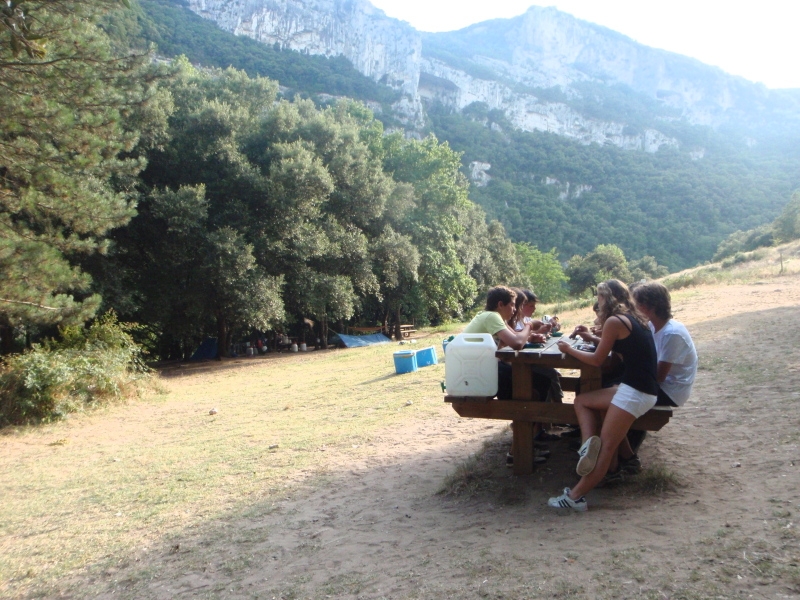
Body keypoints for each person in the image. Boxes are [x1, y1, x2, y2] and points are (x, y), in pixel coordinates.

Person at [547, 279, 658, 511]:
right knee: (583, 401)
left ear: (607, 298)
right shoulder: (634, 318)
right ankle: (588, 445)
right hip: (639, 387)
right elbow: (619, 349)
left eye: (599, 297)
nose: (598, 302)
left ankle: (575, 497)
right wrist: (593, 338)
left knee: (607, 447)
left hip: (636, 392)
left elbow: (598, 360)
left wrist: (569, 349)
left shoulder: (613, 321)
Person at [632, 281, 698, 408]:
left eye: (636, 305)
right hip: (658, 385)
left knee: (616, 393)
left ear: (646, 307)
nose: (633, 309)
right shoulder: (651, 325)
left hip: (670, 392)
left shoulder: (672, 333)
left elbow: (659, 376)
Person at [463, 286, 532, 400]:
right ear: (500, 305)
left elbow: (515, 336)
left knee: (532, 377)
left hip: (478, 368)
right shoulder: (492, 316)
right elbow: (517, 343)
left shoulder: (491, 316)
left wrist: (530, 337)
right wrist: (529, 326)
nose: (514, 309)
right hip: (476, 372)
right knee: (526, 378)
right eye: (512, 305)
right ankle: (523, 413)